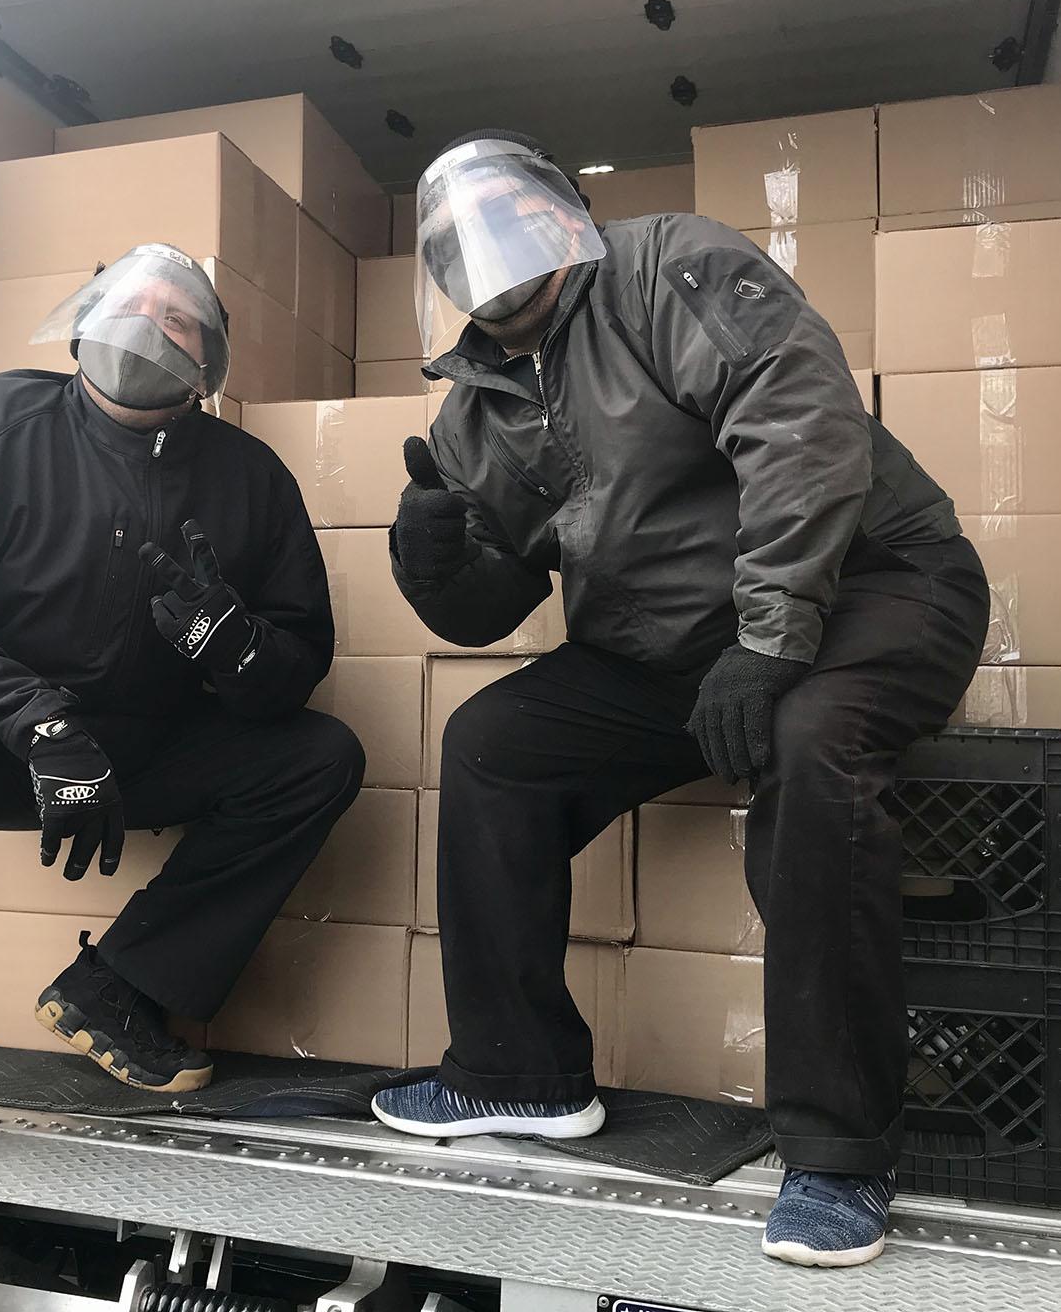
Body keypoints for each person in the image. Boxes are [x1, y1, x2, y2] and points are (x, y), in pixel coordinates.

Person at [368, 132, 988, 1269]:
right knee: (494, 744)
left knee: (812, 740)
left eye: (508, 211)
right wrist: (431, 556)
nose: (486, 245)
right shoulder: (468, 413)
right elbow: (482, 611)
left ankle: (842, 1154)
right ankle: (518, 1073)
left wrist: (769, 638)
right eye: (454, 237)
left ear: (561, 208)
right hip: (678, 646)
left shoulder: (669, 268)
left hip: (871, 581)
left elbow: (799, 424)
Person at [0, 243, 365, 1170]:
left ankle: (122, 988)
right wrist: (37, 720)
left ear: (210, 363)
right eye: (130, 307)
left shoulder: (251, 477)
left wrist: (233, 644)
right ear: (85, 320)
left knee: (322, 754)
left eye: (177, 319)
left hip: (143, 752)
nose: (148, 327)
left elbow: (296, 667)